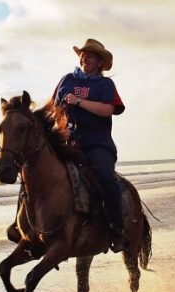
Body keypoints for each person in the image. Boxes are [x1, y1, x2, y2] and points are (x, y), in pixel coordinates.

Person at [50, 38, 128, 252]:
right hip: (69, 141)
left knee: (105, 177)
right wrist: (60, 126)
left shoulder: (104, 85)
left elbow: (108, 110)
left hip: (97, 143)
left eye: (90, 55)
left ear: (100, 62)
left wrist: (79, 102)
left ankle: (117, 229)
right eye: (83, 55)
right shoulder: (67, 79)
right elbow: (55, 108)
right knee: (40, 169)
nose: (85, 58)